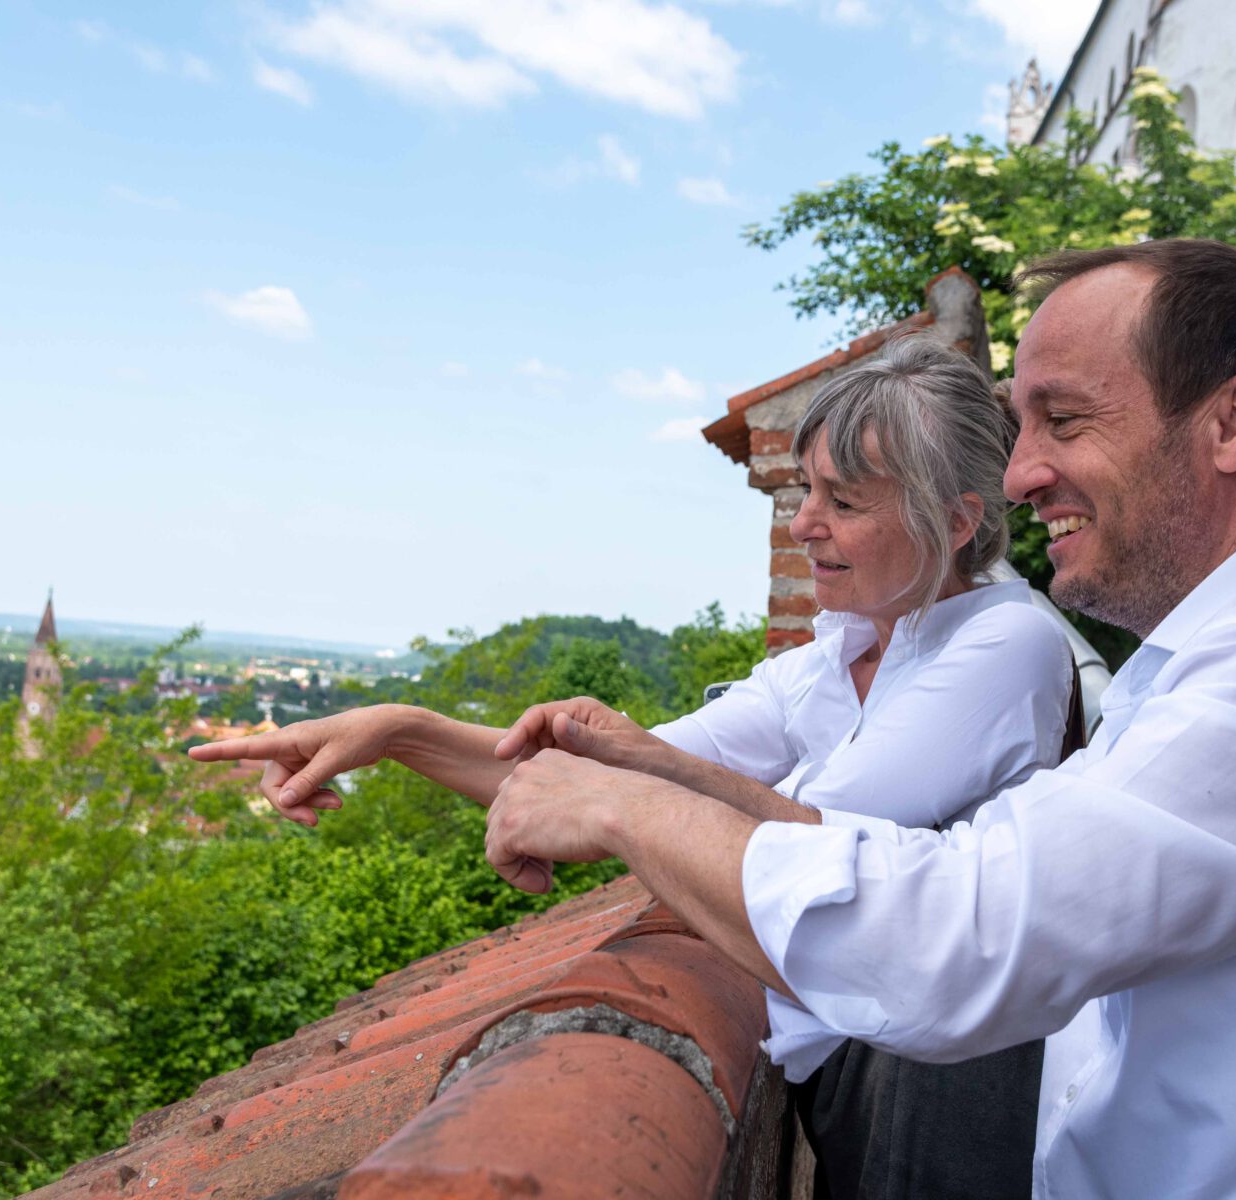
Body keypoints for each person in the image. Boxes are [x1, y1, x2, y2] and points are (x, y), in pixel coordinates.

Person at [482, 239, 1236, 1197]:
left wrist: (628, 808)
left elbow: (954, 937)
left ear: (1234, 424)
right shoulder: (1197, 668)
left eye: (1063, 420)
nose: (1023, 472)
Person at [189, 335, 1078, 1197]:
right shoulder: (834, 656)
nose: (805, 524)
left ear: (958, 522)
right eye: (807, 491)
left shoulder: (1006, 644)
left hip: (944, 1091)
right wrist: (401, 732)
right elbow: (600, 782)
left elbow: (807, 856)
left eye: (843, 503)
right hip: (861, 1067)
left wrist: (623, 779)